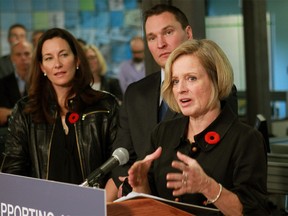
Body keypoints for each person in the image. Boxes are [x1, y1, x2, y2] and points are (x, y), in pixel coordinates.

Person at [109, 4, 238, 199]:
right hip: (139, 196)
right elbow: (122, 156)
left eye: (168, 32)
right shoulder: (135, 92)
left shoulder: (215, 90)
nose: (160, 44)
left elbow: (218, 161)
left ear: (188, 32)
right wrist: (132, 183)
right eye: (152, 37)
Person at [127, 39, 270, 215]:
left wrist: (207, 186)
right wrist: (141, 186)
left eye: (191, 78)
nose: (181, 89)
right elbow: (153, 208)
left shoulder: (246, 139)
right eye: (175, 81)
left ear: (216, 79)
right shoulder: (162, 133)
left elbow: (253, 212)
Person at [1, 28, 119, 193]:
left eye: (64, 55)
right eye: (49, 58)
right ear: (42, 67)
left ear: (77, 60)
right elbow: (13, 172)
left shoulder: (105, 106)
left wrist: (103, 205)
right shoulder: (25, 111)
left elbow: (119, 166)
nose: (57, 64)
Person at [0, 40, 33, 126]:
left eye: (27, 54)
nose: (23, 58)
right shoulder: (2, 84)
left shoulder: (43, 82)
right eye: (18, 54)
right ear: (12, 58)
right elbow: (2, 116)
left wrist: (11, 112)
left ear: (33, 56)